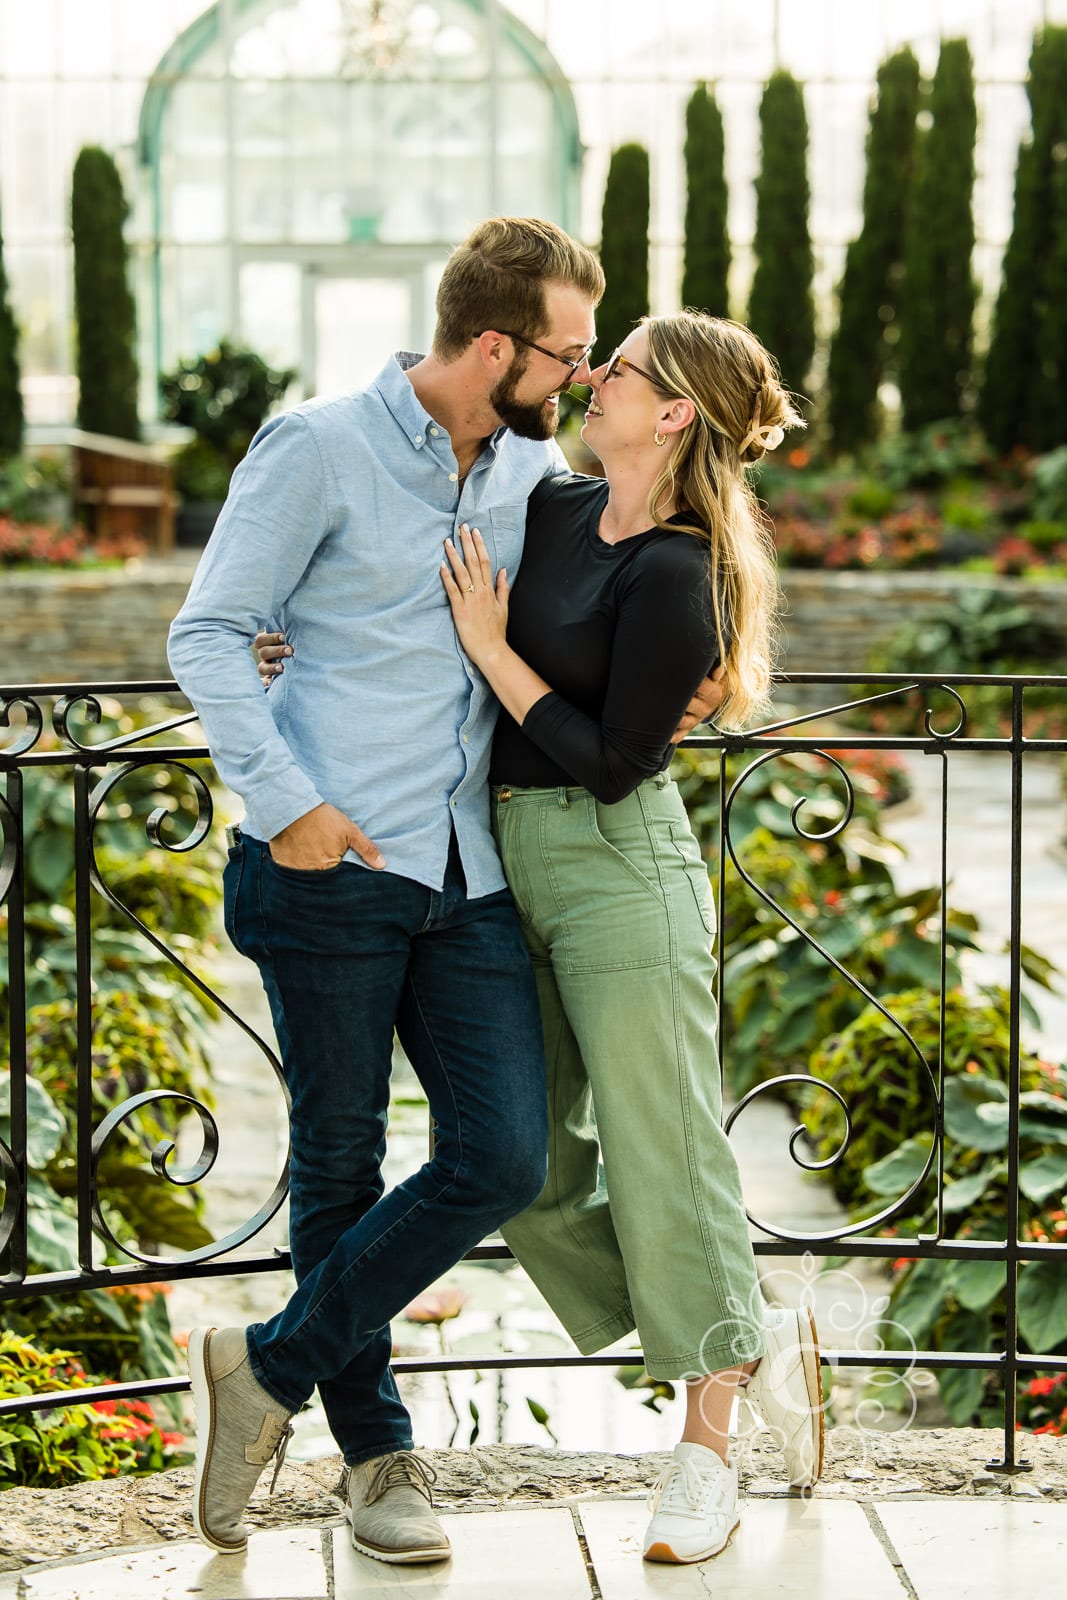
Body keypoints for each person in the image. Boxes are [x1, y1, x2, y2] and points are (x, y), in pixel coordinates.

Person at [166, 216, 721, 1567]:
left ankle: (267, 1367)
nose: (588, 379)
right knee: (339, 1164)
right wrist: (287, 804)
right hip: (330, 868)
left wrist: (694, 671)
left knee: (501, 1157)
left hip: (469, 872)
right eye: (571, 353)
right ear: (495, 346)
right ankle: (376, 1461)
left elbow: (666, 547)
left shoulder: (530, 472)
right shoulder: (318, 450)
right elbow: (209, 632)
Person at [258, 310, 825, 1568]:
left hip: (620, 867)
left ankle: (707, 1445)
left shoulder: (682, 568)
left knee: (662, 1144)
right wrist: (281, 636)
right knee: (541, 1171)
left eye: (614, 369)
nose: (590, 378)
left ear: (671, 412)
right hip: (506, 857)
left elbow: (620, 764)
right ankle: (739, 1331)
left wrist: (493, 655)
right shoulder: (557, 506)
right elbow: (401, 559)